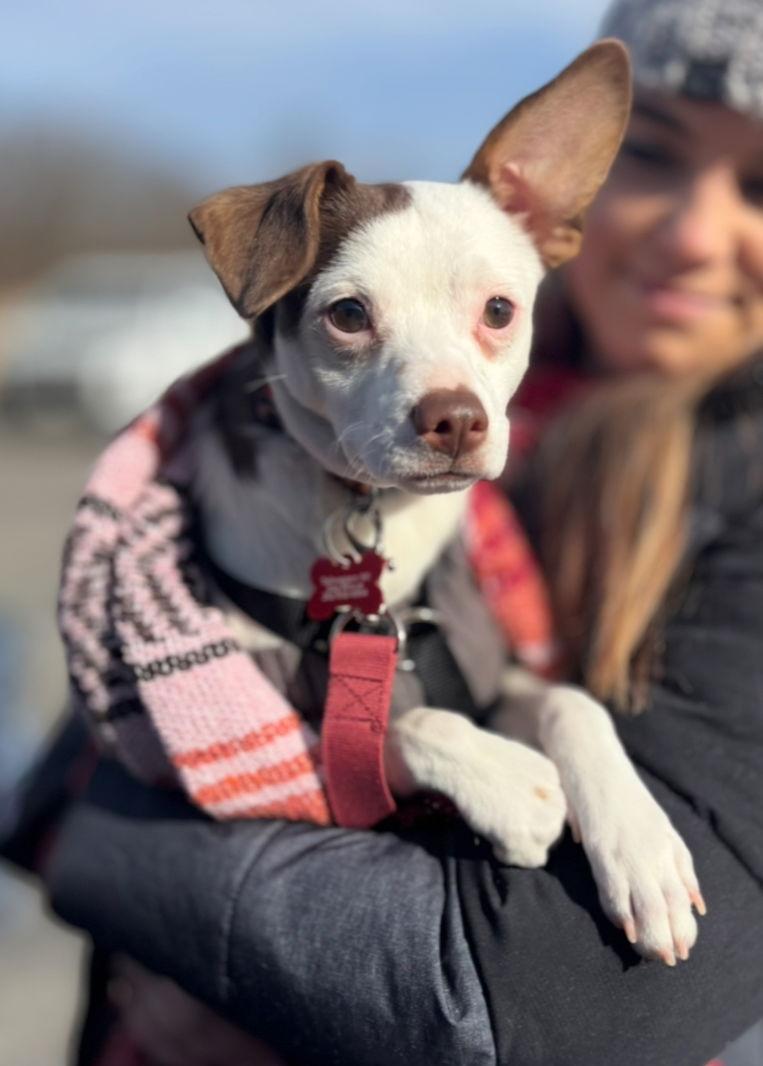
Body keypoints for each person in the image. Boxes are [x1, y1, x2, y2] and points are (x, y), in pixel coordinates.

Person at [3, 0, 763, 1063]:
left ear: (545, 216)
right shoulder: (212, 475)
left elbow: (576, 1003)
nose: (447, 398)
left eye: (493, 317)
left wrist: (96, 842)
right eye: (355, 318)